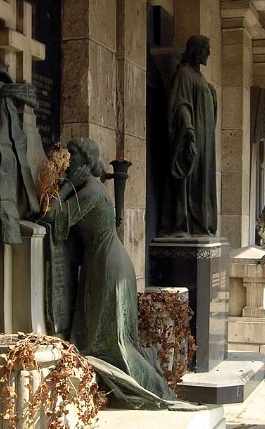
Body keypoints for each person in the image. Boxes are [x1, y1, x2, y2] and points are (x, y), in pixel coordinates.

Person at [43, 138, 174, 403]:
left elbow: (51, 216)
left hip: (108, 266)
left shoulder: (91, 191)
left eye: (74, 154)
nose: (69, 159)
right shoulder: (89, 188)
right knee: (101, 336)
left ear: (87, 159)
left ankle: (146, 388)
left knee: (109, 342)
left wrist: (65, 186)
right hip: (102, 262)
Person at [160, 35, 218, 237]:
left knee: (202, 179)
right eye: (206, 49)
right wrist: (188, 129)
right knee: (189, 178)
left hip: (205, 141)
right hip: (192, 136)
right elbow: (181, 103)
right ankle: (183, 223)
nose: (208, 53)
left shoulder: (200, 77)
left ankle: (201, 222)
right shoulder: (184, 73)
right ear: (196, 50)